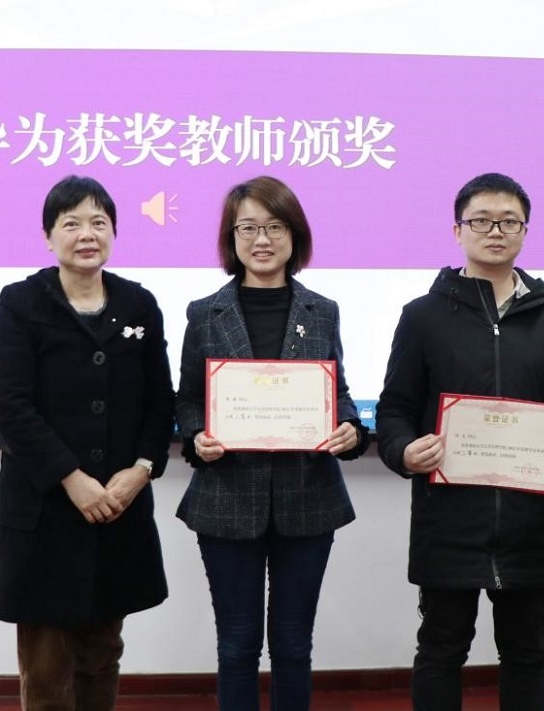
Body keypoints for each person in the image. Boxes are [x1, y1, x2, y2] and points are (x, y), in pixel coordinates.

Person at [375, 172, 544, 711]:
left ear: (525, 230)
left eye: (508, 221)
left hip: (528, 522)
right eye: (481, 221)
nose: (495, 231)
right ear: (458, 231)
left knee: (526, 653)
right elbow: (395, 408)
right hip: (449, 520)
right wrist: (402, 451)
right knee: (440, 650)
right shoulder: (422, 316)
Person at [175, 175, 369, 711]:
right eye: (249, 228)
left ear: (294, 235)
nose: (262, 239)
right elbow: (188, 399)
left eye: (275, 226)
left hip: (308, 498)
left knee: (293, 646)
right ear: (231, 237)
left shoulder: (322, 310)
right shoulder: (204, 313)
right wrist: (196, 435)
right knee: (236, 646)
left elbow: (338, 392)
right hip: (226, 499)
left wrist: (351, 427)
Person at [0, 175, 175, 710]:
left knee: (102, 654)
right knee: (47, 663)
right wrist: (72, 479)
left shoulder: (139, 305)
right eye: (71, 223)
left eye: (98, 222)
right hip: (46, 508)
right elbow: (11, 407)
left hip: (117, 506)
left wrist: (142, 469)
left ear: (114, 231)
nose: (86, 234)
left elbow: (160, 400)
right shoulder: (21, 305)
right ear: (49, 236)